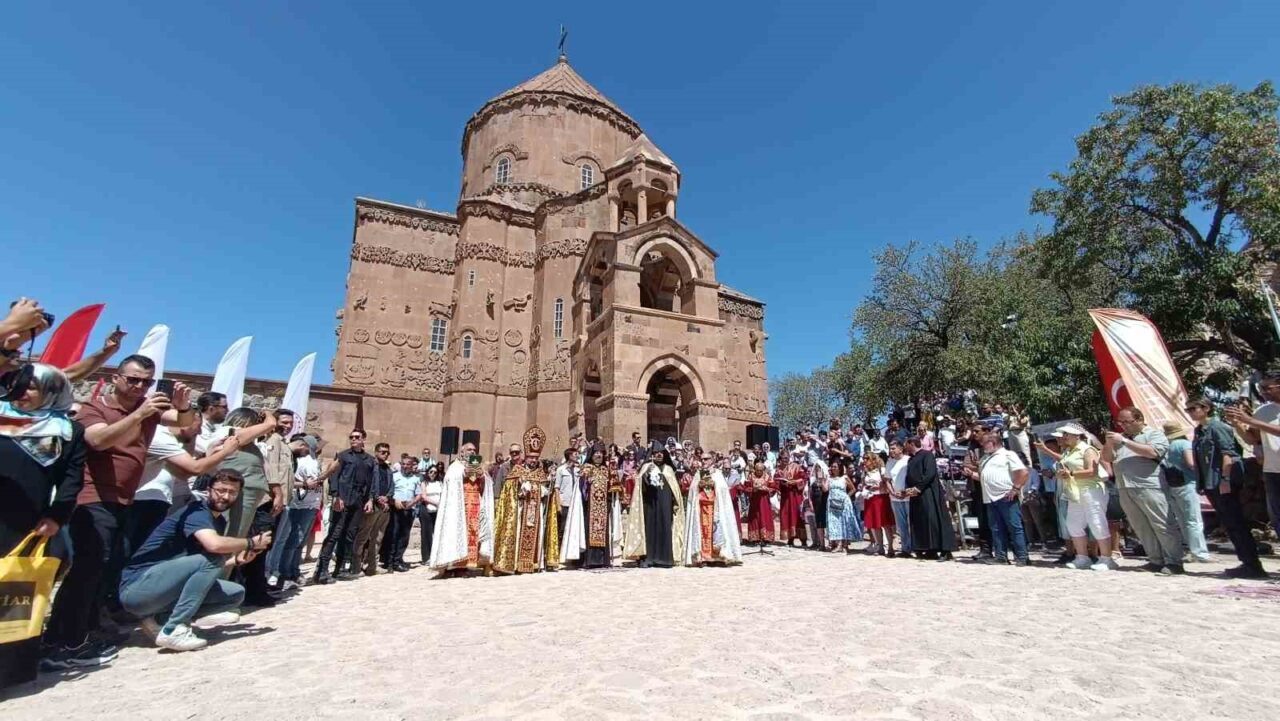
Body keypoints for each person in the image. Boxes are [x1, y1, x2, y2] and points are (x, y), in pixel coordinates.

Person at [44, 354, 196, 668]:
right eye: (133, 379)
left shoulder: (150, 411)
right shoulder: (95, 407)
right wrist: (140, 413)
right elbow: (97, 439)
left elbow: (184, 424)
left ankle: (81, 633)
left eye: (146, 382)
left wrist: (182, 405)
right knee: (86, 572)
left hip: (123, 501)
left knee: (102, 571)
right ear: (116, 377)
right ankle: (62, 643)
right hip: (93, 497)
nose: (140, 386)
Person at [118, 469, 268, 652]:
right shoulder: (197, 512)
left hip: (162, 589)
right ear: (209, 490)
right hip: (137, 589)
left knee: (235, 594)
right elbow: (213, 548)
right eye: (220, 490)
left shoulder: (217, 521)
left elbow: (203, 570)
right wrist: (250, 542)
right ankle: (176, 628)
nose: (225, 496)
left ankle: (159, 619)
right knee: (214, 556)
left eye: (232, 492)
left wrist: (235, 561)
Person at [0, 363, 85, 684]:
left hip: (28, 526)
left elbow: (70, 480)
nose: (21, 393)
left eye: (30, 387)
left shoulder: (67, 431)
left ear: (51, 391)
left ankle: (10, 669)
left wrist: (57, 516)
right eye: (16, 385)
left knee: (15, 596)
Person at [1102, 407, 1182, 575]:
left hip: (1149, 485)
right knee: (1140, 525)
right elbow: (1107, 458)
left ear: (1139, 419)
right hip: (1125, 486)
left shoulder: (1153, 434)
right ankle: (1155, 559)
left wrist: (1124, 442)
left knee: (1162, 523)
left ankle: (1174, 561)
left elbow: (1153, 452)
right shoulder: (1120, 438)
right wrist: (1109, 443)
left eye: (1126, 422)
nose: (1123, 426)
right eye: (1120, 422)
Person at [214, 407, 281, 605]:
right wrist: (267, 413)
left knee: (234, 546)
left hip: (249, 500)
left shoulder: (250, 444)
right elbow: (270, 424)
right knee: (228, 545)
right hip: (236, 499)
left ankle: (221, 592)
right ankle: (213, 593)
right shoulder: (231, 436)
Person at [1196, 400, 1266, 579]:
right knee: (1230, 524)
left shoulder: (1218, 427)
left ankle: (1252, 564)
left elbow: (1229, 455)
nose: (1190, 412)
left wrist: (1225, 479)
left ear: (1206, 408)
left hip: (1223, 481)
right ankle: (1247, 563)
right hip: (1211, 482)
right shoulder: (1199, 430)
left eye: (1193, 408)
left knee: (1236, 523)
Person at [1036, 425, 1115, 571]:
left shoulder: (1087, 449)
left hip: (1091, 490)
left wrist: (1070, 474)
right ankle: (1082, 557)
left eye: (1067, 434)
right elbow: (1063, 460)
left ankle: (1106, 558)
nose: (1064, 437)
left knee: (1097, 523)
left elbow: (1092, 471)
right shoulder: (1069, 450)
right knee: (1073, 524)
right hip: (1075, 491)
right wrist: (1045, 450)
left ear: (1077, 436)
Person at [492, 427, 560, 575]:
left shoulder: (541, 472)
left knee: (538, 535)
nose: (534, 461)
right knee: (519, 535)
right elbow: (508, 492)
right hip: (521, 511)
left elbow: (548, 494)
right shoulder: (517, 471)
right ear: (526, 457)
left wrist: (549, 483)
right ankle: (517, 563)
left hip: (537, 512)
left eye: (536, 458)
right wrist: (521, 487)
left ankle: (536, 563)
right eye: (531, 458)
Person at [312, 429, 375, 584]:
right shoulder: (343, 456)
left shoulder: (369, 460)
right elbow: (333, 475)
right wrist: (336, 496)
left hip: (358, 501)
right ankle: (321, 570)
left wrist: (370, 499)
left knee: (349, 536)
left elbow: (372, 481)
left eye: (357, 437)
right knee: (334, 534)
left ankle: (339, 569)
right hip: (343, 499)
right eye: (351, 437)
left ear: (363, 439)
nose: (353, 439)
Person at [1224, 375, 1280, 542]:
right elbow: (1252, 439)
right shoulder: (1262, 411)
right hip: (1272, 469)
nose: (1262, 393)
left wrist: (1250, 420)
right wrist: (1238, 424)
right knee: (1277, 515)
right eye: (1260, 389)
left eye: (1267, 388)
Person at [429, 443, 495, 577]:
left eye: (474, 450)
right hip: (458, 507)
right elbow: (450, 480)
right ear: (462, 452)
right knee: (456, 533)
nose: (472, 452)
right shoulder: (455, 467)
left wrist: (482, 476)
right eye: (469, 450)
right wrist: (463, 474)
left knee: (472, 534)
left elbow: (487, 483)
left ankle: (466, 564)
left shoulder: (478, 465)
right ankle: (453, 564)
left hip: (475, 505)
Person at [269, 434, 321, 589]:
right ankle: (284, 572)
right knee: (291, 539)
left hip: (311, 504)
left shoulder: (310, 460)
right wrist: (305, 484)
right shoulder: (300, 460)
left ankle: (292, 570)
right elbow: (287, 480)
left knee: (299, 540)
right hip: (299, 504)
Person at [975, 431, 1030, 566]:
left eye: (985, 443)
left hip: (1006, 495)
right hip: (990, 497)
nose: (983, 446)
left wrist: (1016, 488)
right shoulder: (986, 458)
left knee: (1014, 526)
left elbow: (1023, 472)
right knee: (996, 528)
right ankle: (1001, 556)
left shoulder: (1008, 455)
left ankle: (1022, 556)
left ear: (993, 443)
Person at [1159, 419, 1210, 564]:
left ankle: (1190, 549)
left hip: (1173, 485)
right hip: (1187, 483)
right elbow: (1190, 463)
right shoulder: (1184, 444)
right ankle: (1200, 552)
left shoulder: (1167, 446)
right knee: (1194, 520)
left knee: (1182, 520)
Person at [624, 448, 685, 568]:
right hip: (650, 505)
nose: (659, 455)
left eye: (661, 453)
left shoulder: (668, 470)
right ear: (652, 455)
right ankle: (648, 558)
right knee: (649, 530)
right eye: (656, 453)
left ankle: (665, 559)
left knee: (665, 528)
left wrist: (675, 503)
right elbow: (640, 486)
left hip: (665, 505)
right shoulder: (647, 467)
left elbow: (675, 489)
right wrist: (646, 475)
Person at [683, 454, 742, 566]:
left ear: (712, 460)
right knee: (703, 532)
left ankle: (718, 556)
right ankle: (703, 557)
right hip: (701, 509)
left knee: (717, 531)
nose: (704, 461)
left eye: (706, 459)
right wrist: (698, 486)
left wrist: (714, 486)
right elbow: (691, 493)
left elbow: (723, 491)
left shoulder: (717, 474)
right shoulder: (698, 474)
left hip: (715, 508)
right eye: (702, 459)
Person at [903, 437, 956, 561]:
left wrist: (919, 487)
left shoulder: (927, 455)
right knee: (920, 521)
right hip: (915, 495)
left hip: (928, 493)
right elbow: (909, 476)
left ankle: (944, 550)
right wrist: (909, 489)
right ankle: (928, 549)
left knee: (933, 520)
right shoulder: (911, 459)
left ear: (911, 444)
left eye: (906, 444)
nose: (905, 447)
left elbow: (930, 473)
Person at [352, 442, 394, 576]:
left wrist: (387, 498)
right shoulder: (371, 466)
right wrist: (376, 498)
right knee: (363, 536)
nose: (385, 454)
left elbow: (391, 486)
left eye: (387, 452)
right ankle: (356, 566)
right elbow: (369, 485)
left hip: (384, 507)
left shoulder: (388, 468)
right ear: (376, 452)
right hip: (372, 505)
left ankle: (372, 565)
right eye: (383, 452)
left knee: (378, 538)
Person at [381, 454, 420, 572]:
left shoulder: (416, 479)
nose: (405, 466)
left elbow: (418, 494)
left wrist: (412, 503)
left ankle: (398, 560)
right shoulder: (394, 476)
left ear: (412, 465)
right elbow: (389, 492)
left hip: (409, 509)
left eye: (408, 464)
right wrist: (394, 501)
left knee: (404, 536)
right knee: (393, 535)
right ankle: (389, 561)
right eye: (403, 464)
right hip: (396, 508)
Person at [578, 450, 616, 568]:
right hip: (589, 506)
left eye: (600, 453)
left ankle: (603, 560)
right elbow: (580, 485)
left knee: (603, 532)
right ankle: (589, 561)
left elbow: (613, 486)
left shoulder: (606, 469)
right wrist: (585, 481)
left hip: (604, 507)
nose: (599, 455)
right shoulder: (586, 468)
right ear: (591, 455)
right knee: (589, 531)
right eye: (596, 453)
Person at [860, 453, 894, 556]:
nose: (864, 461)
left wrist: (877, 487)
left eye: (867, 459)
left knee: (885, 523)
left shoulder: (881, 470)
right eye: (864, 459)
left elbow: (886, 483)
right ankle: (880, 547)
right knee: (875, 524)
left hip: (881, 497)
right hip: (870, 497)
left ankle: (890, 547)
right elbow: (864, 483)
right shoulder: (866, 471)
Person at [886, 440, 912, 558]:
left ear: (901, 449)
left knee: (910, 522)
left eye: (893, 448)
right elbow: (887, 480)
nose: (891, 451)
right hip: (895, 497)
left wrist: (906, 492)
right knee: (901, 525)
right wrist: (892, 492)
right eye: (890, 448)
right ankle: (905, 548)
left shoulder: (908, 460)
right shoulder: (889, 462)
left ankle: (914, 546)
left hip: (908, 496)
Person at [826, 461, 859, 552]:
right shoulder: (830, 478)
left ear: (839, 468)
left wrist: (846, 497)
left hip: (844, 503)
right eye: (832, 466)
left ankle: (844, 544)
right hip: (832, 503)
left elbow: (853, 489)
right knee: (834, 523)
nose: (833, 468)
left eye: (835, 466)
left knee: (843, 522)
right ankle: (838, 543)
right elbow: (825, 489)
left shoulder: (844, 477)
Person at [777, 451, 808, 547]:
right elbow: (776, 481)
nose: (785, 460)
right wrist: (782, 483)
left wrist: (793, 482)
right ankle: (790, 538)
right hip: (786, 496)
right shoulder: (779, 469)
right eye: (783, 458)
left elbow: (804, 478)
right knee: (787, 516)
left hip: (796, 496)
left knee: (798, 516)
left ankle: (803, 539)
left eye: (786, 458)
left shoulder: (796, 466)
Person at [744, 457, 776, 544]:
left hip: (764, 501)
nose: (759, 472)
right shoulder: (750, 476)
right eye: (757, 470)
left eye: (760, 470)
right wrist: (753, 489)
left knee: (764, 518)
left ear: (763, 470)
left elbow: (773, 488)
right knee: (755, 518)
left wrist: (767, 489)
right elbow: (745, 488)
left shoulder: (767, 477)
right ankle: (755, 538)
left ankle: (766, 538)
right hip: (754, 501)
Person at [416, 464, 443, 565]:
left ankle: (436, 555)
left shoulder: (440, 483)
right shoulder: (424, 482)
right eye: (431, 472)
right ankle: (426, 557)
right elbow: (423, 496)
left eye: (435, 472)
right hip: (426, 509)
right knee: (426, 533)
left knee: (437, 533)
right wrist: (436, 503)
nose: (433, 474)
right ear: (427, 472)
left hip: (438, 510)